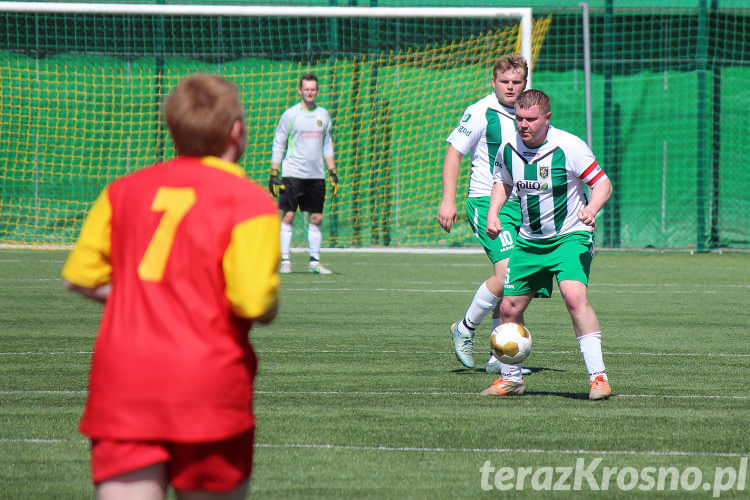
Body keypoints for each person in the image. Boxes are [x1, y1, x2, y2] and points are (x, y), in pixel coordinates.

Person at [61, 74, 281, 499]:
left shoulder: (121, 191)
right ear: (236, 130)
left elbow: (80, 276)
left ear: (174, 129)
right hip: (207, 386)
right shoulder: (249, 200)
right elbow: (252, 301)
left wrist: (145, 296)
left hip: (123, 384)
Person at [483, 89, 613, 400]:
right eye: (519, 118)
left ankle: (598, 379)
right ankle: (511, 379)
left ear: (547, 118)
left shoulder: (569, 147)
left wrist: (591, 209)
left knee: (573, 296)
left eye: (531, 119)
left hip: (571, 236)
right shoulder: (509, 148)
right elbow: (503, 181)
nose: (523, 124)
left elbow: (602, 184)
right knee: (509, 307)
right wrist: (493, 212)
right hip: (530, 240)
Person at [437, 54, 531, 374]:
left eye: (516, 82)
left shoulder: (528, 114)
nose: (510, 87)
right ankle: (464, 327)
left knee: (517, 280)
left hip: (522, 205)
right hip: (484, 201)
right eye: (504, 82)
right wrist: (448, 200)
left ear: (524, 83)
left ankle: (499, 356)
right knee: (508, 273)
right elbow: (454, 154)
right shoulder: (480, 111)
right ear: (493, 82)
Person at [270, 72, 339, 275]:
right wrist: (274, 172)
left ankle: (314, 262)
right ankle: (285, 261)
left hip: (316, 175)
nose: (310, 92)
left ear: (317, 91)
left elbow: (327, 145)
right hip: (292, 174)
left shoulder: (323, 115)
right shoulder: (290, 115)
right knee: (288, 215)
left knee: (316, 217)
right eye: (306, 89)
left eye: (313, 89)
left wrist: (332, 172)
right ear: (300, 90)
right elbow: (279, 143)